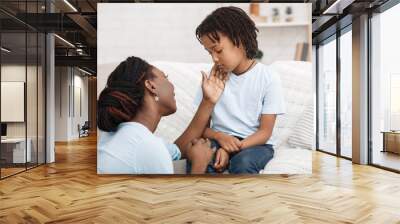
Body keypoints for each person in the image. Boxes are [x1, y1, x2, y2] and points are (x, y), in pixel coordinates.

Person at [193, 6, 286, 174]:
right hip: (218, 139)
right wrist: (220, 138)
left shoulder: (269, 78)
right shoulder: (211, 81)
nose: (214, 58)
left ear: (240, 40)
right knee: (201, 155)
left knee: (244, 162)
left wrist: (230, 149)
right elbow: (201, 128)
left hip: (256, 144)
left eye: (218, 50)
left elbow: (265, 132)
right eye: (209, 52)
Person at [97, 56, 227, 174]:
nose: (171, 85)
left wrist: (208, 101)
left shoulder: (121, 135)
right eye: (165, 77)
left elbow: (177, 150)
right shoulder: (148, 147)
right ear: (151, 86)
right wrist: (200, 164)